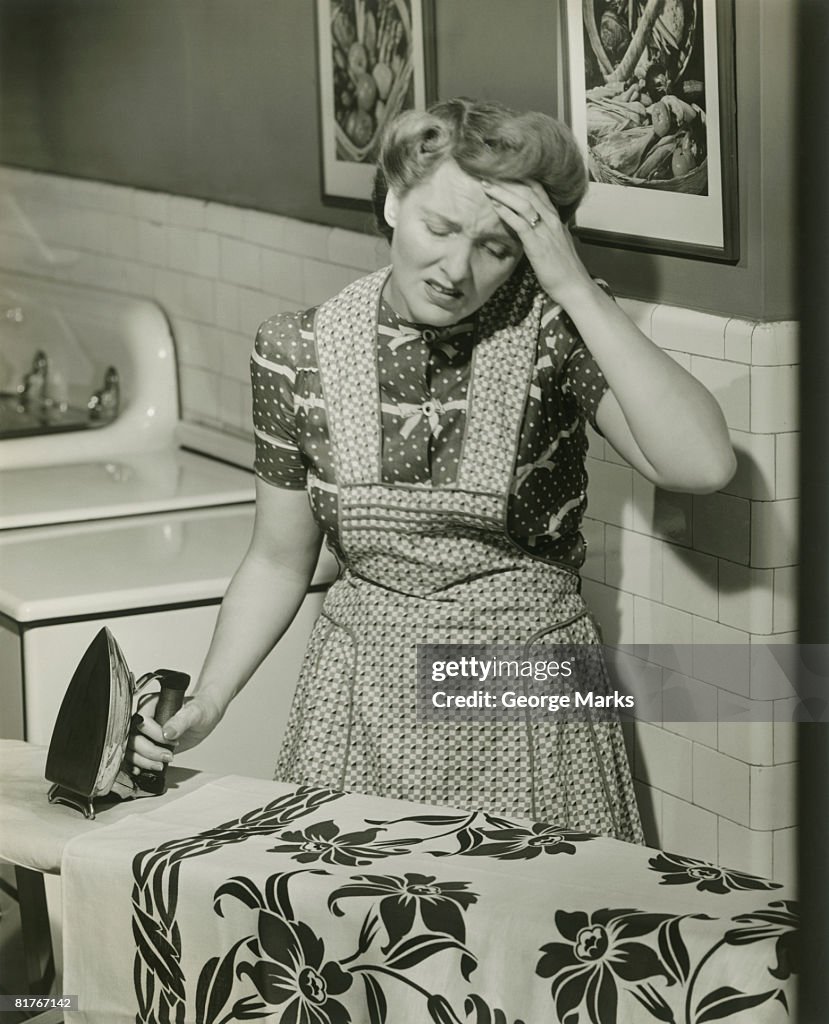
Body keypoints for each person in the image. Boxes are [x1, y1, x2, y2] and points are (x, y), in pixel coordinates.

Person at [126, 98, 735, 842]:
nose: (455, 269)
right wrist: (212, 700)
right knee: (354, 943)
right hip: (356, 696)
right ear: (391, 200)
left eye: (495, 247)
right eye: (438, 228)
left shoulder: (554, 333)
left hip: (525, 689)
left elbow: (700, 465)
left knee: (535, 936)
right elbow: (280, 559)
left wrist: (573, 286)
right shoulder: (296, 351)